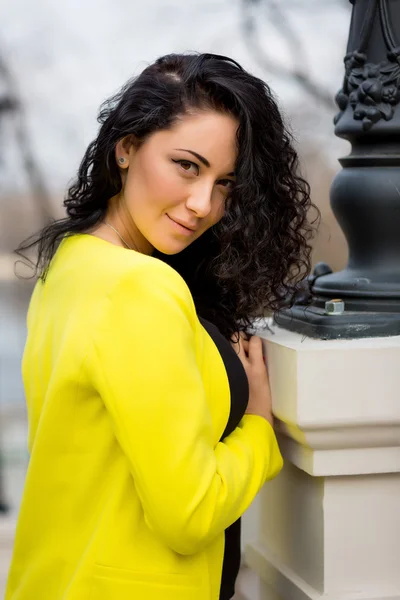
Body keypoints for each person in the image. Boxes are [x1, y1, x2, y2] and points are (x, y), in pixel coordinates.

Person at [6, 53, 316, 600]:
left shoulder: (70, 267)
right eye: (187, 165)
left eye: (225, 184)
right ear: (125, 148)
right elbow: (189, 513)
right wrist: (260, 431)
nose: (203, 205)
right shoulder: (139, 287)